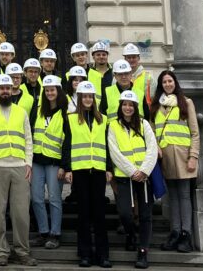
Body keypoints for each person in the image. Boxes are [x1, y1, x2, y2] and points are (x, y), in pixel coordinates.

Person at [0, 74, 35, 267]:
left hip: (19, 167)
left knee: (21, 213)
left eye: (8, 88)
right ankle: (2, 251)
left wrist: (28, 163)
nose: (5, 91)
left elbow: (28, 139)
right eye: (1, 88)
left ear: (12, 90)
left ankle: (22, 251)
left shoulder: (21, 112)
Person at [108, 90, 158, 269]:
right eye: (125, 105)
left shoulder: (144, 124)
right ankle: (131, 234)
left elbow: (152, 149)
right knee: (125, 214)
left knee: (145, 216)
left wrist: (143, 170)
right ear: (120, 107)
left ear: (135, 107)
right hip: (124, 177)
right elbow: (114, 152)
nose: (127, 108)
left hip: (144, 178)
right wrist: (132, 171)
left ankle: (143, 251)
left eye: (131, 105)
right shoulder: (113, 126)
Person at [152, 70, 200, 253]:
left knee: (184, 196)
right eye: (164, 82)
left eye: (170, 81)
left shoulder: (186, 103)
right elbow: (153, 131)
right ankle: (175, 232)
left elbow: (195, 133)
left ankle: (186, 235)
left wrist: (193, 157)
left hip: (184, 157)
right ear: (161, 85)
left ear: (175, 83)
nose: (167, 84)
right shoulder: (157, 106)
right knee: (171, 197)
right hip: (165, 159)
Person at [66, 81, 111, 269]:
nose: (87, 99)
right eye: (84, 96)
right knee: (83, 214)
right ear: (79, 98)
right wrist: (67, 168)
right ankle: (84, 254)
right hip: (80, 170)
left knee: (99, 214)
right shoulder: (70, 119)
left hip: (99, 170)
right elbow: (67, 144)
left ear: (94, 99)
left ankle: (103, 255)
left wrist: (109, 168)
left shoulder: (104, 119)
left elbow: (108, 145)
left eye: (90, 96)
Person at [31, 75, 67, 250]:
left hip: (54, 162)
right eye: (46, 90)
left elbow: (68, 142)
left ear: (58, 91)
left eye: (52, 90)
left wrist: (64, 166)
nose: (49, 93)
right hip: (37, 161)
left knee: (54, 199)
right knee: (37, 198)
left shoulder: (65, 112)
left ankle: (55, 233)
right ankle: (43, 232)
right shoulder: (37, 110)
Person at [122, 44, 152, 108]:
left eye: (134, 57)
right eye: (129, 57)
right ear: (125, 59)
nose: (131, 60)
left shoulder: (148, 77)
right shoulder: (117, 78)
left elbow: (154, 99)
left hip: (143, 115)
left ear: (138, 58)